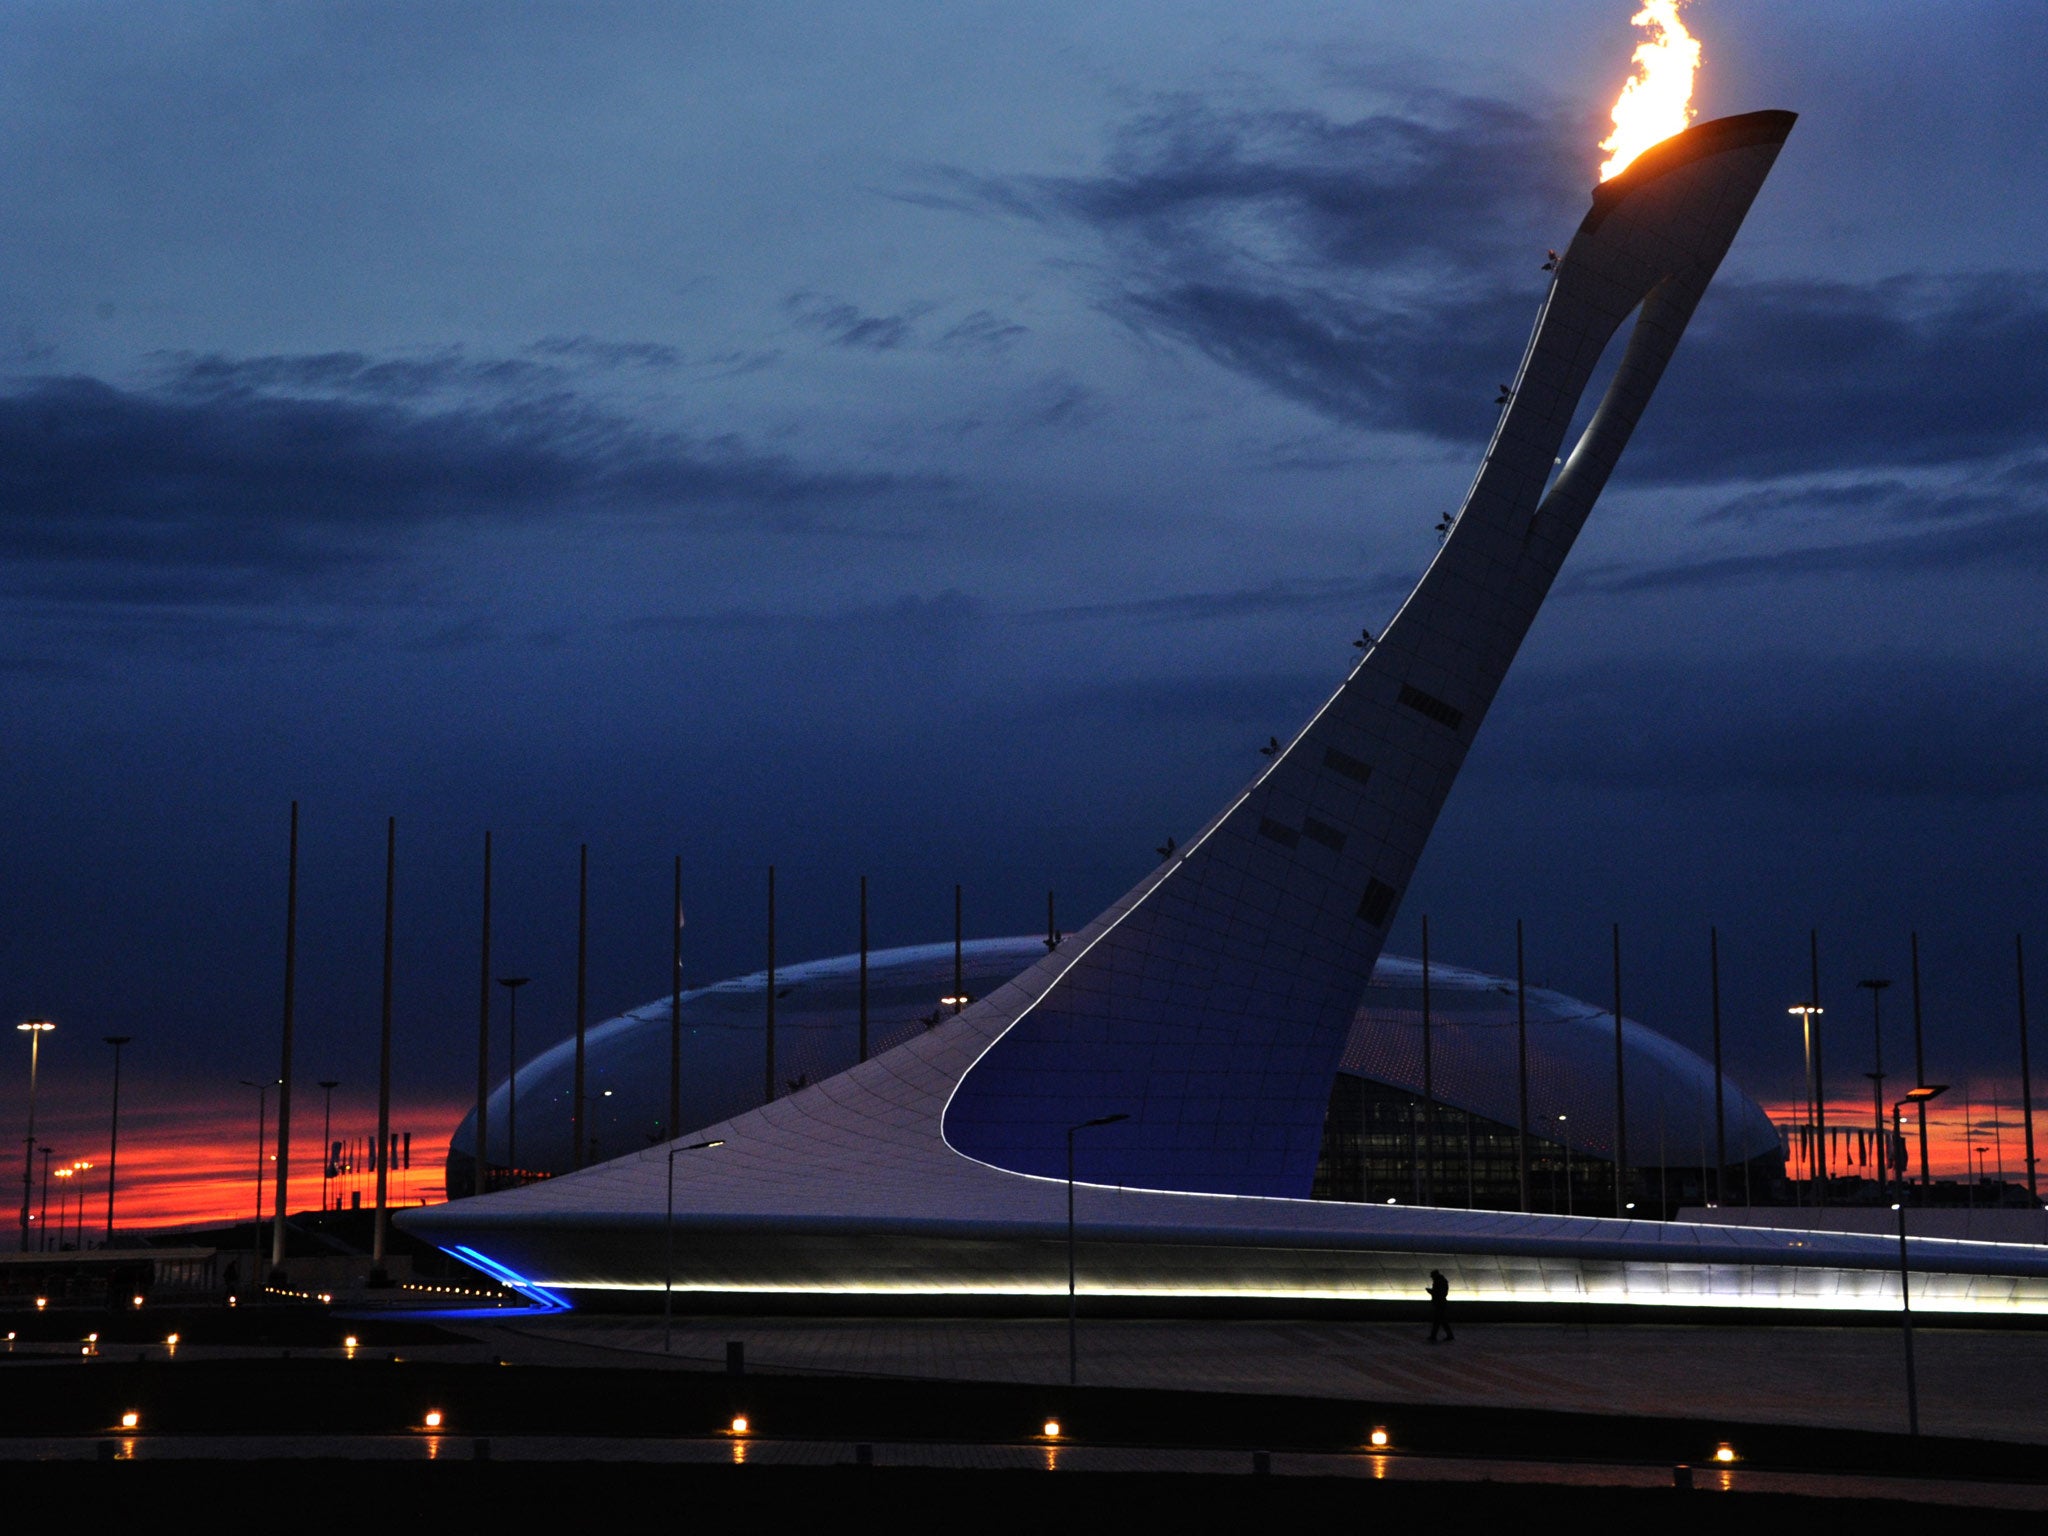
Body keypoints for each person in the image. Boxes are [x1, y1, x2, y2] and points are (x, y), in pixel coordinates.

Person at [1426, 1268, 1453, 1343]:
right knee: (1441, 1320)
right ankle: (1448, 1335)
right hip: (1441, 1302)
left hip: (1439, 1303)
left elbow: (1438, 1293)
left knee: (1438, 1320)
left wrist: (1431, 1291)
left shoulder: (1438, 1282)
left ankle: (1434, 1336)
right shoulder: (1442, 1281)